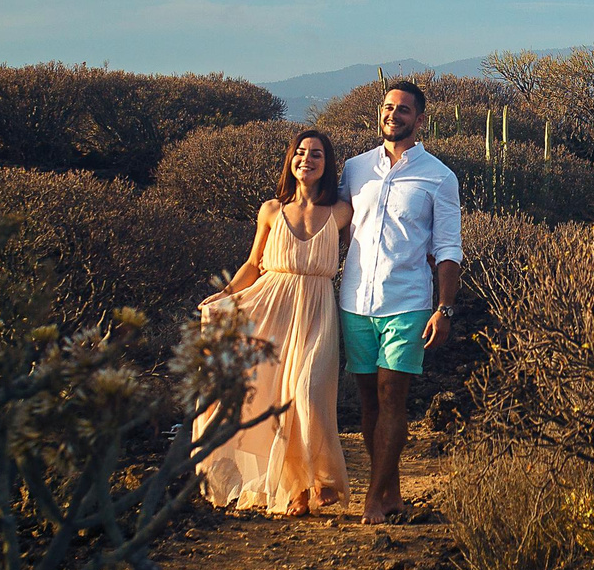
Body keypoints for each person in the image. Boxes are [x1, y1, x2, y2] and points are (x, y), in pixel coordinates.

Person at [195, 128, 351, 516]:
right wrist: (226, 295)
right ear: (290, 160)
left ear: (327, 164)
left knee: (309, 392)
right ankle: (295, 490)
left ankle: (320, 478)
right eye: (300, 153)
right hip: (271, 307)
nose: (307, 159)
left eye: (317, 154)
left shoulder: (342, 211)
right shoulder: (270, 210)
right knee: (275, 400)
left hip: (317, 311)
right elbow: (253, 263)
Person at [338, 81, 461, 524]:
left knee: (393, 397)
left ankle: (374, 499)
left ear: (420, 119)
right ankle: (388, 491)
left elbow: (448, 247)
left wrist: (444, 308)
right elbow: (327, 217)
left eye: (404, 109)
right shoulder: (354, 169)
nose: (394, 114)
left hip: (406, 301)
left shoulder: (439, 176)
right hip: (354, 301)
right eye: (388, 107)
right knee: (368, 401)